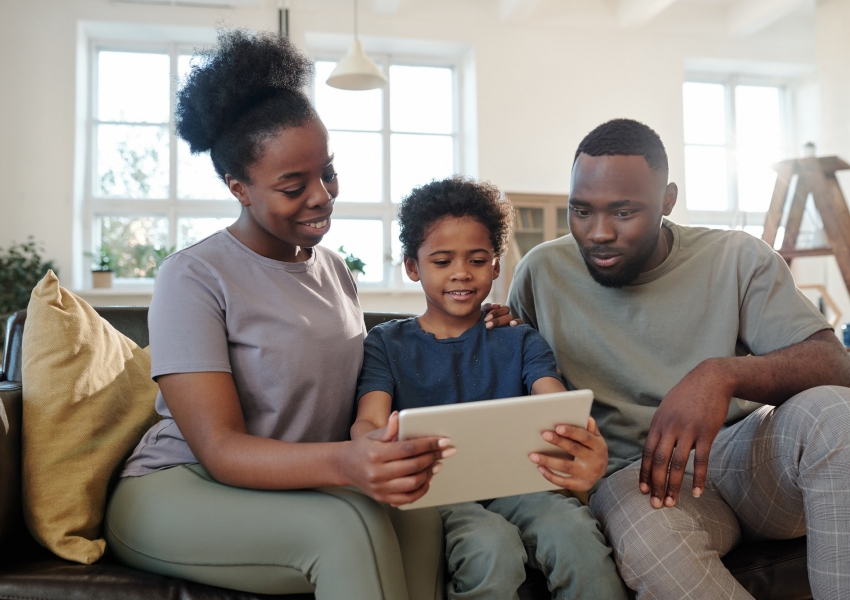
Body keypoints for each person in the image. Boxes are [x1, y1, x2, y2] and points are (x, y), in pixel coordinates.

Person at [103, 30, 516, 600]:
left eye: (328, 173)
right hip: (180, 487)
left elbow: (381, 369)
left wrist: (487, 324)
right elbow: (220, 450)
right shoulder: (193, 276)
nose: (321, 196)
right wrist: (347, 465)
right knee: (345, 532)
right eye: (293, 187)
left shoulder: (333, 269)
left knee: (417, 516)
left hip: (301, 486)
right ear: (240, 188)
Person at [507, 118, 850, 599]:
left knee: (837, 415)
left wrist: (722, 374)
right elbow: (511, 382)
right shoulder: (540, 272)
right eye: (581, 211)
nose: (599, 232)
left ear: (667, 200)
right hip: (636, 479)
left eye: (623, 212)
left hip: (744, 458)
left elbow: (834, 364)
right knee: (649, 539)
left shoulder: (736, 257)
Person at [351, 177, 629, 600]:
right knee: (490, 546)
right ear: (412, 267)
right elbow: (367, 422)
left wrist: (576, 435)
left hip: (518, 488)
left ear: (496, 265)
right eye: (442, 261)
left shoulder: (519, 338)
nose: (461, 273)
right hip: (436, 497)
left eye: (477, 260)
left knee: (573, 532)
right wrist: (379, 452)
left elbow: (552, 399)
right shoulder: (387, 343)